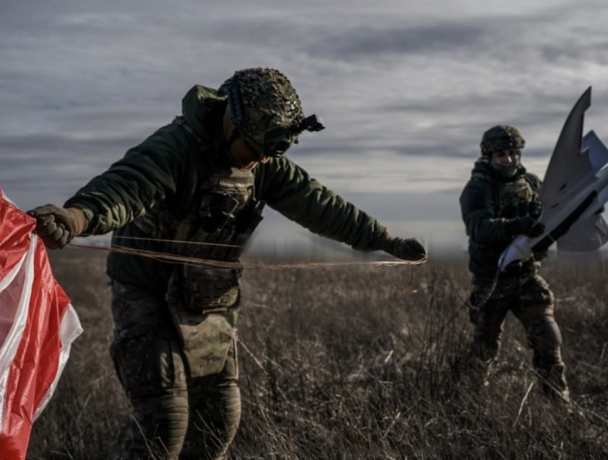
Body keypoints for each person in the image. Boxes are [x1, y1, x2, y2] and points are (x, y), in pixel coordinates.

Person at [28, 67, 427, 460]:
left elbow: (320, 205)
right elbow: (127, 186)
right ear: (231, 122)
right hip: (147, 292)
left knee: (220, 417)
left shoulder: (266, 163)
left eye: (268, 154)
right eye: (254, 150)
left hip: (208, 294)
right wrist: (76, 218)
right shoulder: (174, 149)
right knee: (165, 420)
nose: (258, 162)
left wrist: (385, 240)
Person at [458, 125, 569, 402]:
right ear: (488, 156)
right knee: (484, 348)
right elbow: (479, 227)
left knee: (548, 338)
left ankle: (559, 407)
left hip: (526, 275)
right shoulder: (477, 188)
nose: (508, 160)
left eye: (512, 153)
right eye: (500, 155)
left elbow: (551, 217)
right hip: (492, 279)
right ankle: (468, 404)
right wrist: (517, 225)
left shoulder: (531, 183)